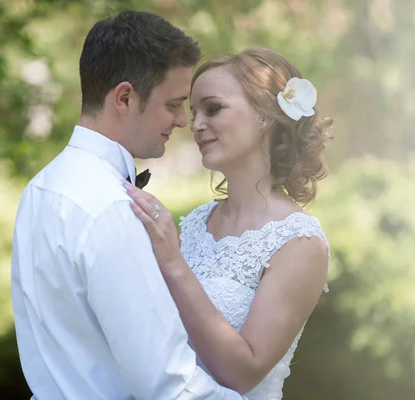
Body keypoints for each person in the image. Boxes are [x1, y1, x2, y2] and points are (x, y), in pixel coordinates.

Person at [11, 10, 248, 400]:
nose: (181, 121)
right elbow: (168, 383)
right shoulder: (111, 207)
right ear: (124, 97)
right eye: (173, 104)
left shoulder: (41, 189)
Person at [125, 47, 333, 399]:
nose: (196, 125)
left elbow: (243, 373)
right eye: (194, 113)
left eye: (213, 108)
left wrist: (172, 262)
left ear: (267, 116)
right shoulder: (192, 224)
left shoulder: (300, 243)